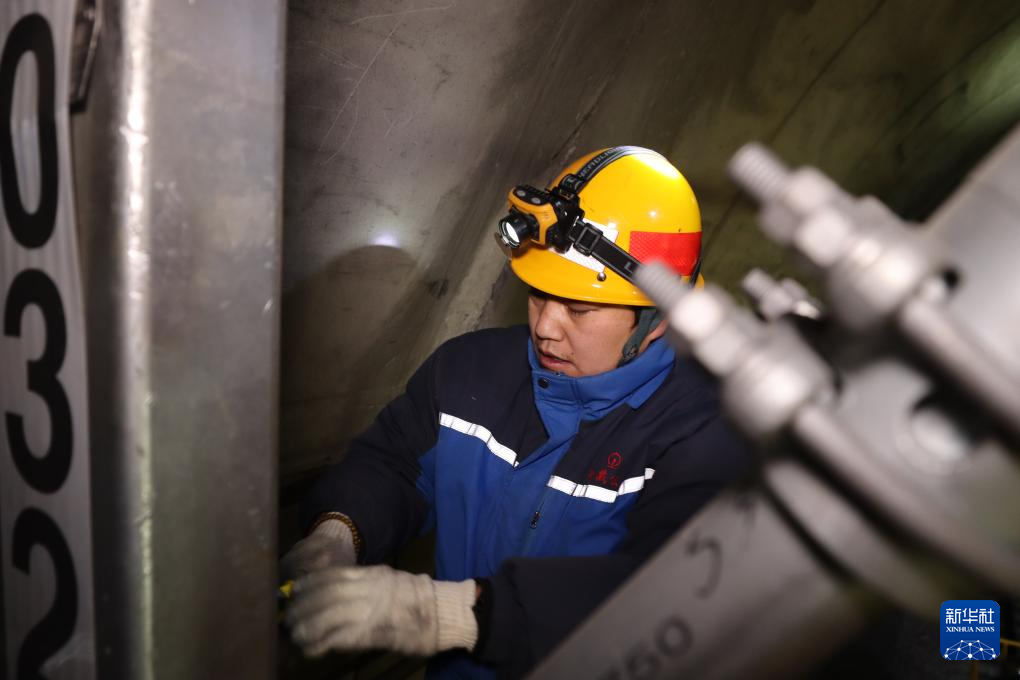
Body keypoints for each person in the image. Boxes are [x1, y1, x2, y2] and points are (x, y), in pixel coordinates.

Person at [282, 146, 752, 678]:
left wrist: (454, 615)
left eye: (578, 308)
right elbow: (391, 464)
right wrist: (338, 531)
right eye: (537, 294)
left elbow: (666, 595)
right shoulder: (468, 373)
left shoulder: (705, 433)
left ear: (659, 317)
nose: (546, 327)